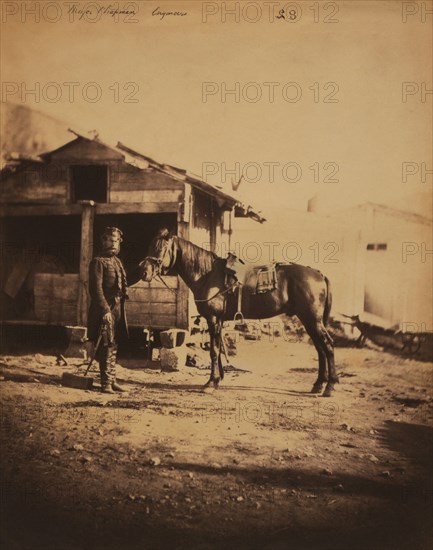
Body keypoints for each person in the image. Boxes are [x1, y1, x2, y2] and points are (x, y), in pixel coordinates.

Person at [87, 227, 128, 394]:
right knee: (106, 343)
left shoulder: (117, 262)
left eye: (116, 240)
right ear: (103, 241)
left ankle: (113, 380)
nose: (113, 243)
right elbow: (95, 290)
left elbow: (123, 283)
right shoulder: (98, 262)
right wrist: (105, 311)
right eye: (110, 240)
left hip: (117, 308)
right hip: (102, 309)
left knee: (113, 344)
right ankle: (105, 384)